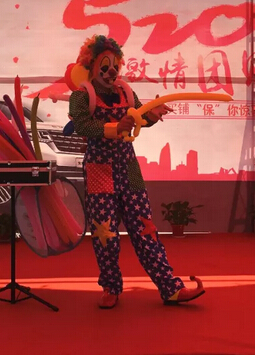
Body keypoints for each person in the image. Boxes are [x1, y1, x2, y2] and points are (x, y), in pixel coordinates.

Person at [68, 35, 205, 309]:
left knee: (145, 229)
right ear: (91, 65)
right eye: (104, 65)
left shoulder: (126, 93)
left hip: (128, 167)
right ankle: (111, 287)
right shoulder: (81, 97)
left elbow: (140, 116)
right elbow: (81, 126)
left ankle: (170, 288)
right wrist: (114, 127)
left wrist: (151, 115)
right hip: (98, 169)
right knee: (105, 233)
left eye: (114, 65)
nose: (111, 71)